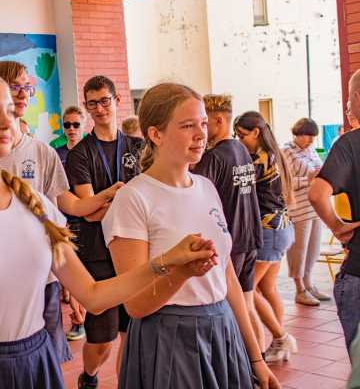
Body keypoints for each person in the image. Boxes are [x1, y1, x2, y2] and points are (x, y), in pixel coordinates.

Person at [0, 67, 218, 389]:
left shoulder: (36, 205)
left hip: (37, 363)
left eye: (10, 110)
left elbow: (94, 296)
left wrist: (168, 263)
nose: (7, 121)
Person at [105, 83, 280, 389]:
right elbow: (135, 304)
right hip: (170, 337)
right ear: (155, 134)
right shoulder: (134, 198)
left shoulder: (206, 187)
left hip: (221, 328)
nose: (201, 134)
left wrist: (256, 358)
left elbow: (227, 277)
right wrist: (181, 273)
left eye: (202, 123)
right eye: (187, 126)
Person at [0, 61, 120, 364]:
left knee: (46, 361)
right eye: (14, 86)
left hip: (43, 276)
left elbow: (67, 207)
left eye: (27, 87)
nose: (23, 94)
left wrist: (105, 196)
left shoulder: (42, 152)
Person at [65, 75, 144, 388]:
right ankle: (89, 376)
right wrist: (120, 202)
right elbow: (88, 210)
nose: (99, 108)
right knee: (103, 339)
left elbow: (147, 201)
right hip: (98, 254)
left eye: (104, 101)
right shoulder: (80, 154)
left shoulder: (139, 147)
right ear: (86, 107)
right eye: (92, 103)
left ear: (117, 100)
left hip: (134, 249)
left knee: (131, 332)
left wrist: (105, 203)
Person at [191, 94, 267, 361]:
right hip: (249, 236)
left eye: (204, 122)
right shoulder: (241, 149)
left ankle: (239, 363)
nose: (201, 129)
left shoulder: (213, 158)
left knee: (228, 309)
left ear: (220, 120)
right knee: (246, 304)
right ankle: (259, 358)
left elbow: (194, 198)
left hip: (231, 241)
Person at [234, 111, 297, 363]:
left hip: (269, 231)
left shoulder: (259, 160)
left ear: (256, 132)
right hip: (282, 228)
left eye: (242, 136)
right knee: (267, 288)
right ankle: (279, 341)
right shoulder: (275, 154)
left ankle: (281, 337)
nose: (239, 141)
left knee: (247, 290)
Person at [309, 69, 360, 353]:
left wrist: (338, 227)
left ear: (358, 97)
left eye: (349, 101)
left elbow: (317, 194)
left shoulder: (350, 144)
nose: (348, 108)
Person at [282, 118, 327, 306]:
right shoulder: (286, 151)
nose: (310, 140)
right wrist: (307, 180)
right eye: (308, 136)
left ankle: (308, 284)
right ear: (297, 134)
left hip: (315, 207)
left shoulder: (310, 150)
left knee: (313, 249)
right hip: (298, 209)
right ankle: (299, 289)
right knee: (298, 251)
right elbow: (284, 182)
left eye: (313, 137)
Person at [56, 106, 87, 342]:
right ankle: (78, 320)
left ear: (83, 125)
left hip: (90, 219)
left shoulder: (89, 151)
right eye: (67, 125)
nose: (71, 129)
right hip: (65, 220)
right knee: (70, 272)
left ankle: (90, 317)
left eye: (76, 124)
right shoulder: (56, 154)